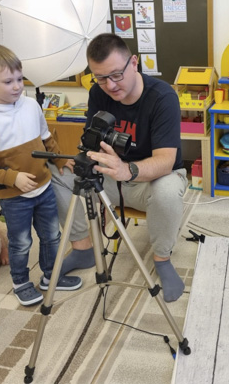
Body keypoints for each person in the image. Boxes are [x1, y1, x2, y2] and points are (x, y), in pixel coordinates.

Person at [52, 33, 188, 302]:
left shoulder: (162, 97)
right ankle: (82, 249)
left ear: (134, 63)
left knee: (168, 191)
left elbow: (165, 161)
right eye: (101, 78)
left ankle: (162, 258)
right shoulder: (98, 93)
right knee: (61, 177)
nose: (110, 85)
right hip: (111, 176)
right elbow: (92, 140)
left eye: (116, 75)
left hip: (153, 179)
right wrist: (85, 157)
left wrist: (128, 170)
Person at [0, 44, 82, 306]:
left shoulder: (31, 105)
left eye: (20, 79)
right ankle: (20, 282)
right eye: (8, 82)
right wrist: (12, 178)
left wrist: (59, 159)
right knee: (20, 243)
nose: (17, 86)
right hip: (14, 196)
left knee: (52, 236)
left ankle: (50, 276)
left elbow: (45, 138)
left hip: (44, 187)